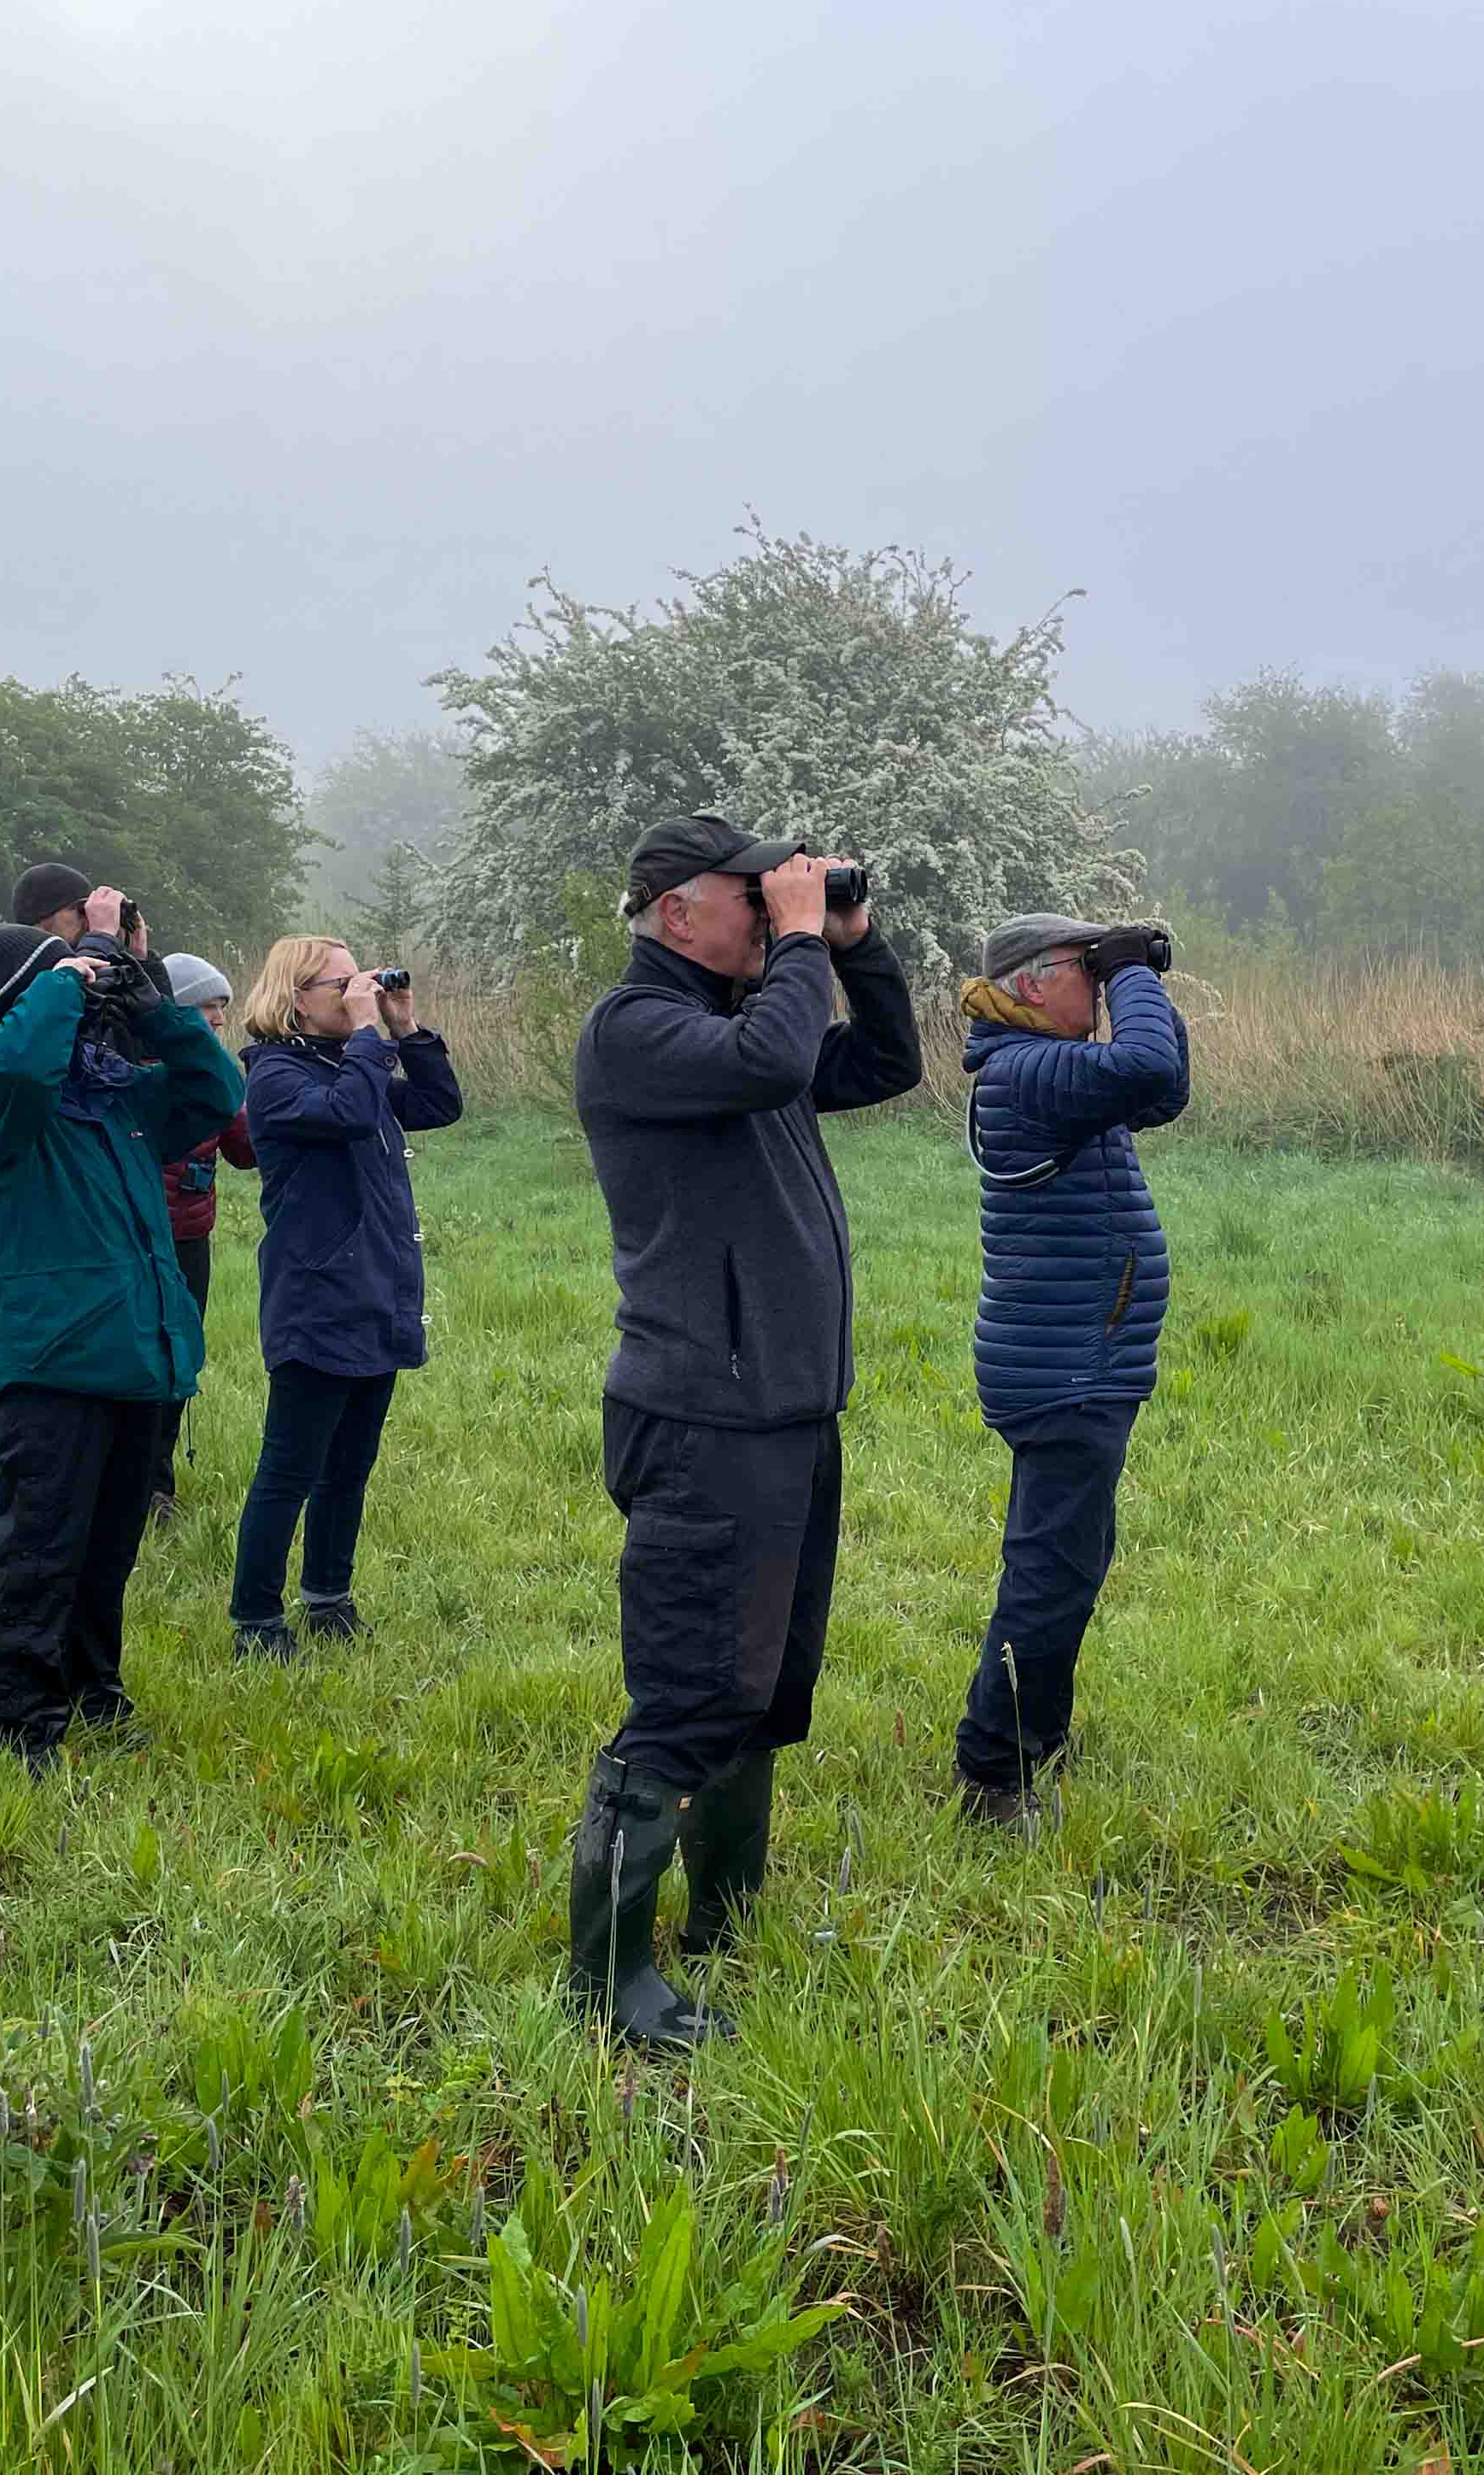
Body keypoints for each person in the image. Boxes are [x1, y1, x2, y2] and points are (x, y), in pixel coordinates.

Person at [564, 815, 923, 2049]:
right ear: (675, 910)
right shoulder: (639, 1032)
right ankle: (609, 1984)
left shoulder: (730, 1028)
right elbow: (778, 1057)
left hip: (783, 1410)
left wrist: (853, 947)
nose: (775, 904)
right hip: (703, 1414)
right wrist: (801, 943)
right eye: (751, 892)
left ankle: (726, 1916)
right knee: (689, 1689)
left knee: (762, 1683)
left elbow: (880, 1064)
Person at [0, 877, 244, 1766]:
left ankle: (93, 1693)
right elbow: (17, 1062)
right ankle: (15, 1727)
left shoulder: (113, 1096)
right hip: (55, 1360)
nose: (81, 993)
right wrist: (67, 976)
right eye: (59, 981)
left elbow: (216, 1087)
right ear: (22, 1000)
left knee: (107, 1555)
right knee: (38, 1553)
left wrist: (145, 993)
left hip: (136, 1351)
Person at [947, 913, 1191, 1827]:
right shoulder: (1028, 1069)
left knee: (1072, 1561)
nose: (1100, 985)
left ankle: (1033, 1733)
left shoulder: (1050, 1069)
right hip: (1066, 1370)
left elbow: (1166, 1088)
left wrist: (1137, 979)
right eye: (1088, 970)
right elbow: (1149, 1068)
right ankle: (994, 1776)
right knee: (1048, 1574)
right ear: (1034, 980)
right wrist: (1132, 976)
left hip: (1080, 1360)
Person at [226, 934, 462, 1657]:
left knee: (350, 1464)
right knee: (290, 1467)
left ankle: (328, 1598)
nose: (357, 991)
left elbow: (436, 1102)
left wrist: (405, 1030)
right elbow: (349, 1115)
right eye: (341, 984)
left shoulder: (345, 1065)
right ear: (297, 998)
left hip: (377, 1288)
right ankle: (256, 1621)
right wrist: (367, 1037)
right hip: (317, 1295)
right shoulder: (273, 1076)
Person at [150, 952, 260, 1521]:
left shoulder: (214, 1071)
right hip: (143, 1240)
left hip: (193, 1235)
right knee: (144, 1359)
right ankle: (137, 1485)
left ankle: (157, 1487)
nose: (219, 1019)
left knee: (180, 1357)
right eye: (207, 1007)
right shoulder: (143, 1067)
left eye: (222, 1007)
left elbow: (247, 1152)